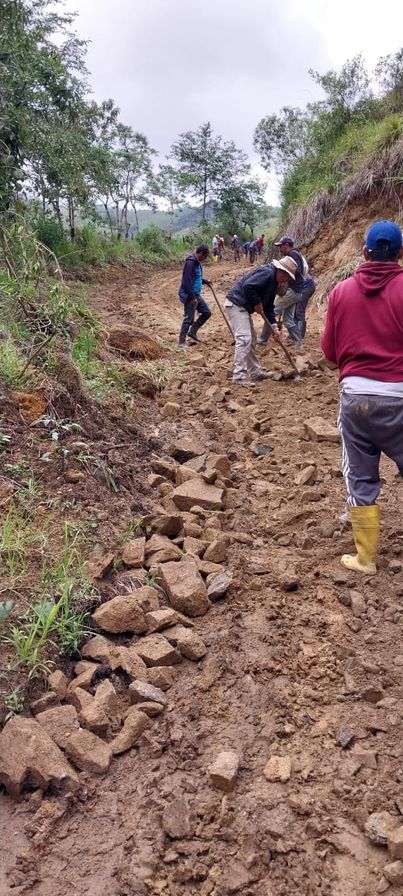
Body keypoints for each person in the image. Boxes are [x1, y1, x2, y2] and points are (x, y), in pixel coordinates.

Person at [321, 220, 403, 575]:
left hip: (356, 398)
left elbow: (329, 353)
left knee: (359, 476)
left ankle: (365, 559)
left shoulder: (341, 292)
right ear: (400, 254)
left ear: (365, 252)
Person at [224, 256, 297, 387]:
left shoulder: (274, 282)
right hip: (236, 304)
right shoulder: (267, 273)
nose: (286, 281)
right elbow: (248, 286)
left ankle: (255, 373)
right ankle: (239, 376)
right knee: (244, 339)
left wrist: (274, 328)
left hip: (242, 308)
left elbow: (268, 307)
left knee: (251, 339)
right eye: (287, 277)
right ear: (282, 272)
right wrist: (257, 302)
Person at [257, 235, 306, 347]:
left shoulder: (292, 255)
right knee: (288, 320)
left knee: (271, 312)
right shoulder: (296, 254)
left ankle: (263, 339)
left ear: (286, 245)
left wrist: (285, 281)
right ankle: (298, 343)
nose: (280, 249)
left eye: (281, 246)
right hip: (297, 292)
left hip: (291, 291)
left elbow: (297, 271)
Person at [178, 244, 212, 348]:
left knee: (206, 312)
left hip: (195, 294)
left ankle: (192, 332)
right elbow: (187, 281)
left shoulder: (196, 263)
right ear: (201, 253)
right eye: (205, 256)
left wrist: (205, 281)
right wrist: (192, 297)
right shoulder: (191, 263)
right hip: (190, 295)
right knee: (189, 318)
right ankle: (181, 342)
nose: (204, 259)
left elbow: (196, 277)